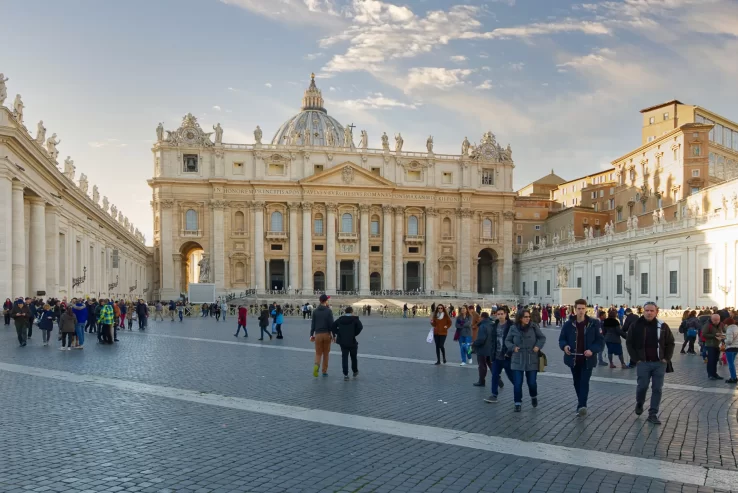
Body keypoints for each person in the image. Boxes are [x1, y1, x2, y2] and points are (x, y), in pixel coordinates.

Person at [625, 301, 675, 425]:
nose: (649, 313)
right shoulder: (636, 325)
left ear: (656, 312)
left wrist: (666, 358)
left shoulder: (662, 325)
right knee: (642, 386)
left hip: (659, 363)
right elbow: (629, 343)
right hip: (643, 363)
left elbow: (671, 342)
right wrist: (636, 359)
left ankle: (653, 414)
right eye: (647, 310)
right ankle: (640, 403)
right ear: (643, 311)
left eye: (652, 310)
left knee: (657, 388)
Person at [559, 299, 604, 417]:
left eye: (583, 308)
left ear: (586, 309)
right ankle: (581, 402)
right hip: (573, 358)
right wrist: (565, 346)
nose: (581, 311)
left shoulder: (594, 323)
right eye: (578, 308)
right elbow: (562, 339)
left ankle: (582, 405)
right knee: (576, 382)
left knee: (584, 382)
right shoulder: (569, 324)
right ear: (575, 309)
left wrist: (592, 350)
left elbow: (600, 341)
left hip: (587, 359)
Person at [506, 309, 546, 412]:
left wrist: (538, 346)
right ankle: (517, 403)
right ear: (520, 318)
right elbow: (507, 340)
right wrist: (513, 347)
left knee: (532, 382)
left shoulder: (534, 327)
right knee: (518, 383)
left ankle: (533, 396)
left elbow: (542, 338)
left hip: (531, 357)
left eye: (529, 317)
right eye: (525, 317)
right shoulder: (513, 328)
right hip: (517, 358)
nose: (528, 318)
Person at [476, 310, 514, 403]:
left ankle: (518, 390)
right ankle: (494, 395)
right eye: (498, 314)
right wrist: (492, 353)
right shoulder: (494, 326)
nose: (500, 316)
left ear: (505, 314)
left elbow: (515, 340)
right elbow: (493, 341)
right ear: (496, 315)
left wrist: (509, 351)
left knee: (512, 377)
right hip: (497, 356)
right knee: (495, 375)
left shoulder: (511, 326)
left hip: (507, 356)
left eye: (502, 314)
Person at [332, 306, 363, 381]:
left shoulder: (340, 319)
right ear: (352, 312)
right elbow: (360, 327)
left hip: (343, 341)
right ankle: (355, 371)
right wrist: (354, 333)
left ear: (345, 312)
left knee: (344, 358)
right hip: (352, 341)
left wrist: (339, 333)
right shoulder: (355, 319)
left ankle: (345, 374)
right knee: (353, 357)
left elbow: (333, 326)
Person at [310, 294, 335, 377]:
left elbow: (313, 324)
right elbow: (331, 324)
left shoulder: (315, 311)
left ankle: (316, 366)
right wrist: (333, 335)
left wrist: (311, 335)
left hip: (317, 335)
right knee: (326, 354)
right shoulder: (328, 311)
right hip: (326, 334)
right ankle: (324, 371)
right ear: (326, 301)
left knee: (318, 353)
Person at [702, 313, 725, 380]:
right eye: (715, 320)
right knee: (711, 360)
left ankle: (715, 374)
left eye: (718, 320)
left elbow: (724, 331)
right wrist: (714, 335)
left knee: (715, 360)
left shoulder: (721, 324)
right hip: (710, 345)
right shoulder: (707, 325)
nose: (716, 321)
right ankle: (710, 374)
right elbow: (704, 334)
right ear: (711, 319)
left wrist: (722, 335)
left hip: (718, 345)